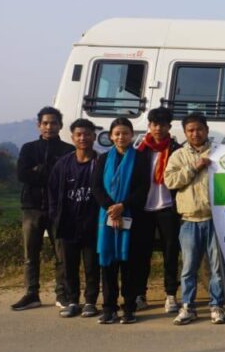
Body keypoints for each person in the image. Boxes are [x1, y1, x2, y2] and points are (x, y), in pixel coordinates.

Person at [165, 113, 225, 325]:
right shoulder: (178, 155)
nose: (195, 133)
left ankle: (216, 305)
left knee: (217, 268)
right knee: (189, 268)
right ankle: (188, 307)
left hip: (216, 219)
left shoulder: (221, 153)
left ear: (207, 129)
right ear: (185, 133)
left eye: (199, 129)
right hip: (189, 220)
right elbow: (170, 181)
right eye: (190, 130)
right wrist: (194, 166)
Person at [11, 106, 74, 311]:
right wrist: (50, 175)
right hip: (32, 207)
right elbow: (22, 175)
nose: (49, 126)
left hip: (59, 209)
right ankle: (32, 294)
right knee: (31, 254)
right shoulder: (28, 149)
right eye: (45, 123)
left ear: (60, 125)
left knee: (61, 254)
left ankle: (62, 294)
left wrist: (39, 171)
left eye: (53, 123)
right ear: (39, 125)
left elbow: (67, 179)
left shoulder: (68, 150)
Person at [92, 118, 151, 324]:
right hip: (107, 218)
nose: (121, 137)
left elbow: (143, 188)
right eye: (117, 133)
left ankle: (129, 308)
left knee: (129, 265)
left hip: (132, 217)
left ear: (132, 135)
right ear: (110, 136)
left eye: (125, 133)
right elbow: (96, 187)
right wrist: (111, 208)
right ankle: (109, 308)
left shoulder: (141, 159)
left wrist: (122, 206)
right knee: (108, 264)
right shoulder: (103, 159)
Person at [46, 119, 101, 318]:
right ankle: (71, 301)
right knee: (68, 266)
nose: (83, 138)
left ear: (94, 137)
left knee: (92, 266)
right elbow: (52, 192)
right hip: (67, 224)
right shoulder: (63, 164)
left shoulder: (100, 162)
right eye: (78, 134)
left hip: (92, 224)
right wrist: (55, 217)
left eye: (87, 134)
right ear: (72, 138)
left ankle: (91, 302)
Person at [133, 107, 183, 314]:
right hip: (144, 209)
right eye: (155, 124)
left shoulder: (176, 150)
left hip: (168, 208)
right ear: (149, 126)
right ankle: (139, 294)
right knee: (141, 253)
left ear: (169, 127)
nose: (158, 129)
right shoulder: (140, 149)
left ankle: (170, 294)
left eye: (163, 125)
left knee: (170, 252)